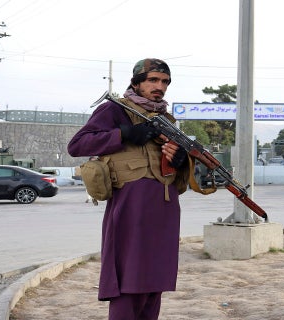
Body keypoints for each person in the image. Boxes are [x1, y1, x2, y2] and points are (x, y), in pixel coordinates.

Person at [68, 58, 191, 319]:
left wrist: (179, 161)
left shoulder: (165, 119)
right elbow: (77, 145)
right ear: (136, 82)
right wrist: (124, 134)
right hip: (130, 207)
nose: (160, 86)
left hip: (165, 207)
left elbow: (173, 168)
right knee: (129, 282)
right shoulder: (115, 110)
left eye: (165, 81)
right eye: (153, 80)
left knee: (155, 282)